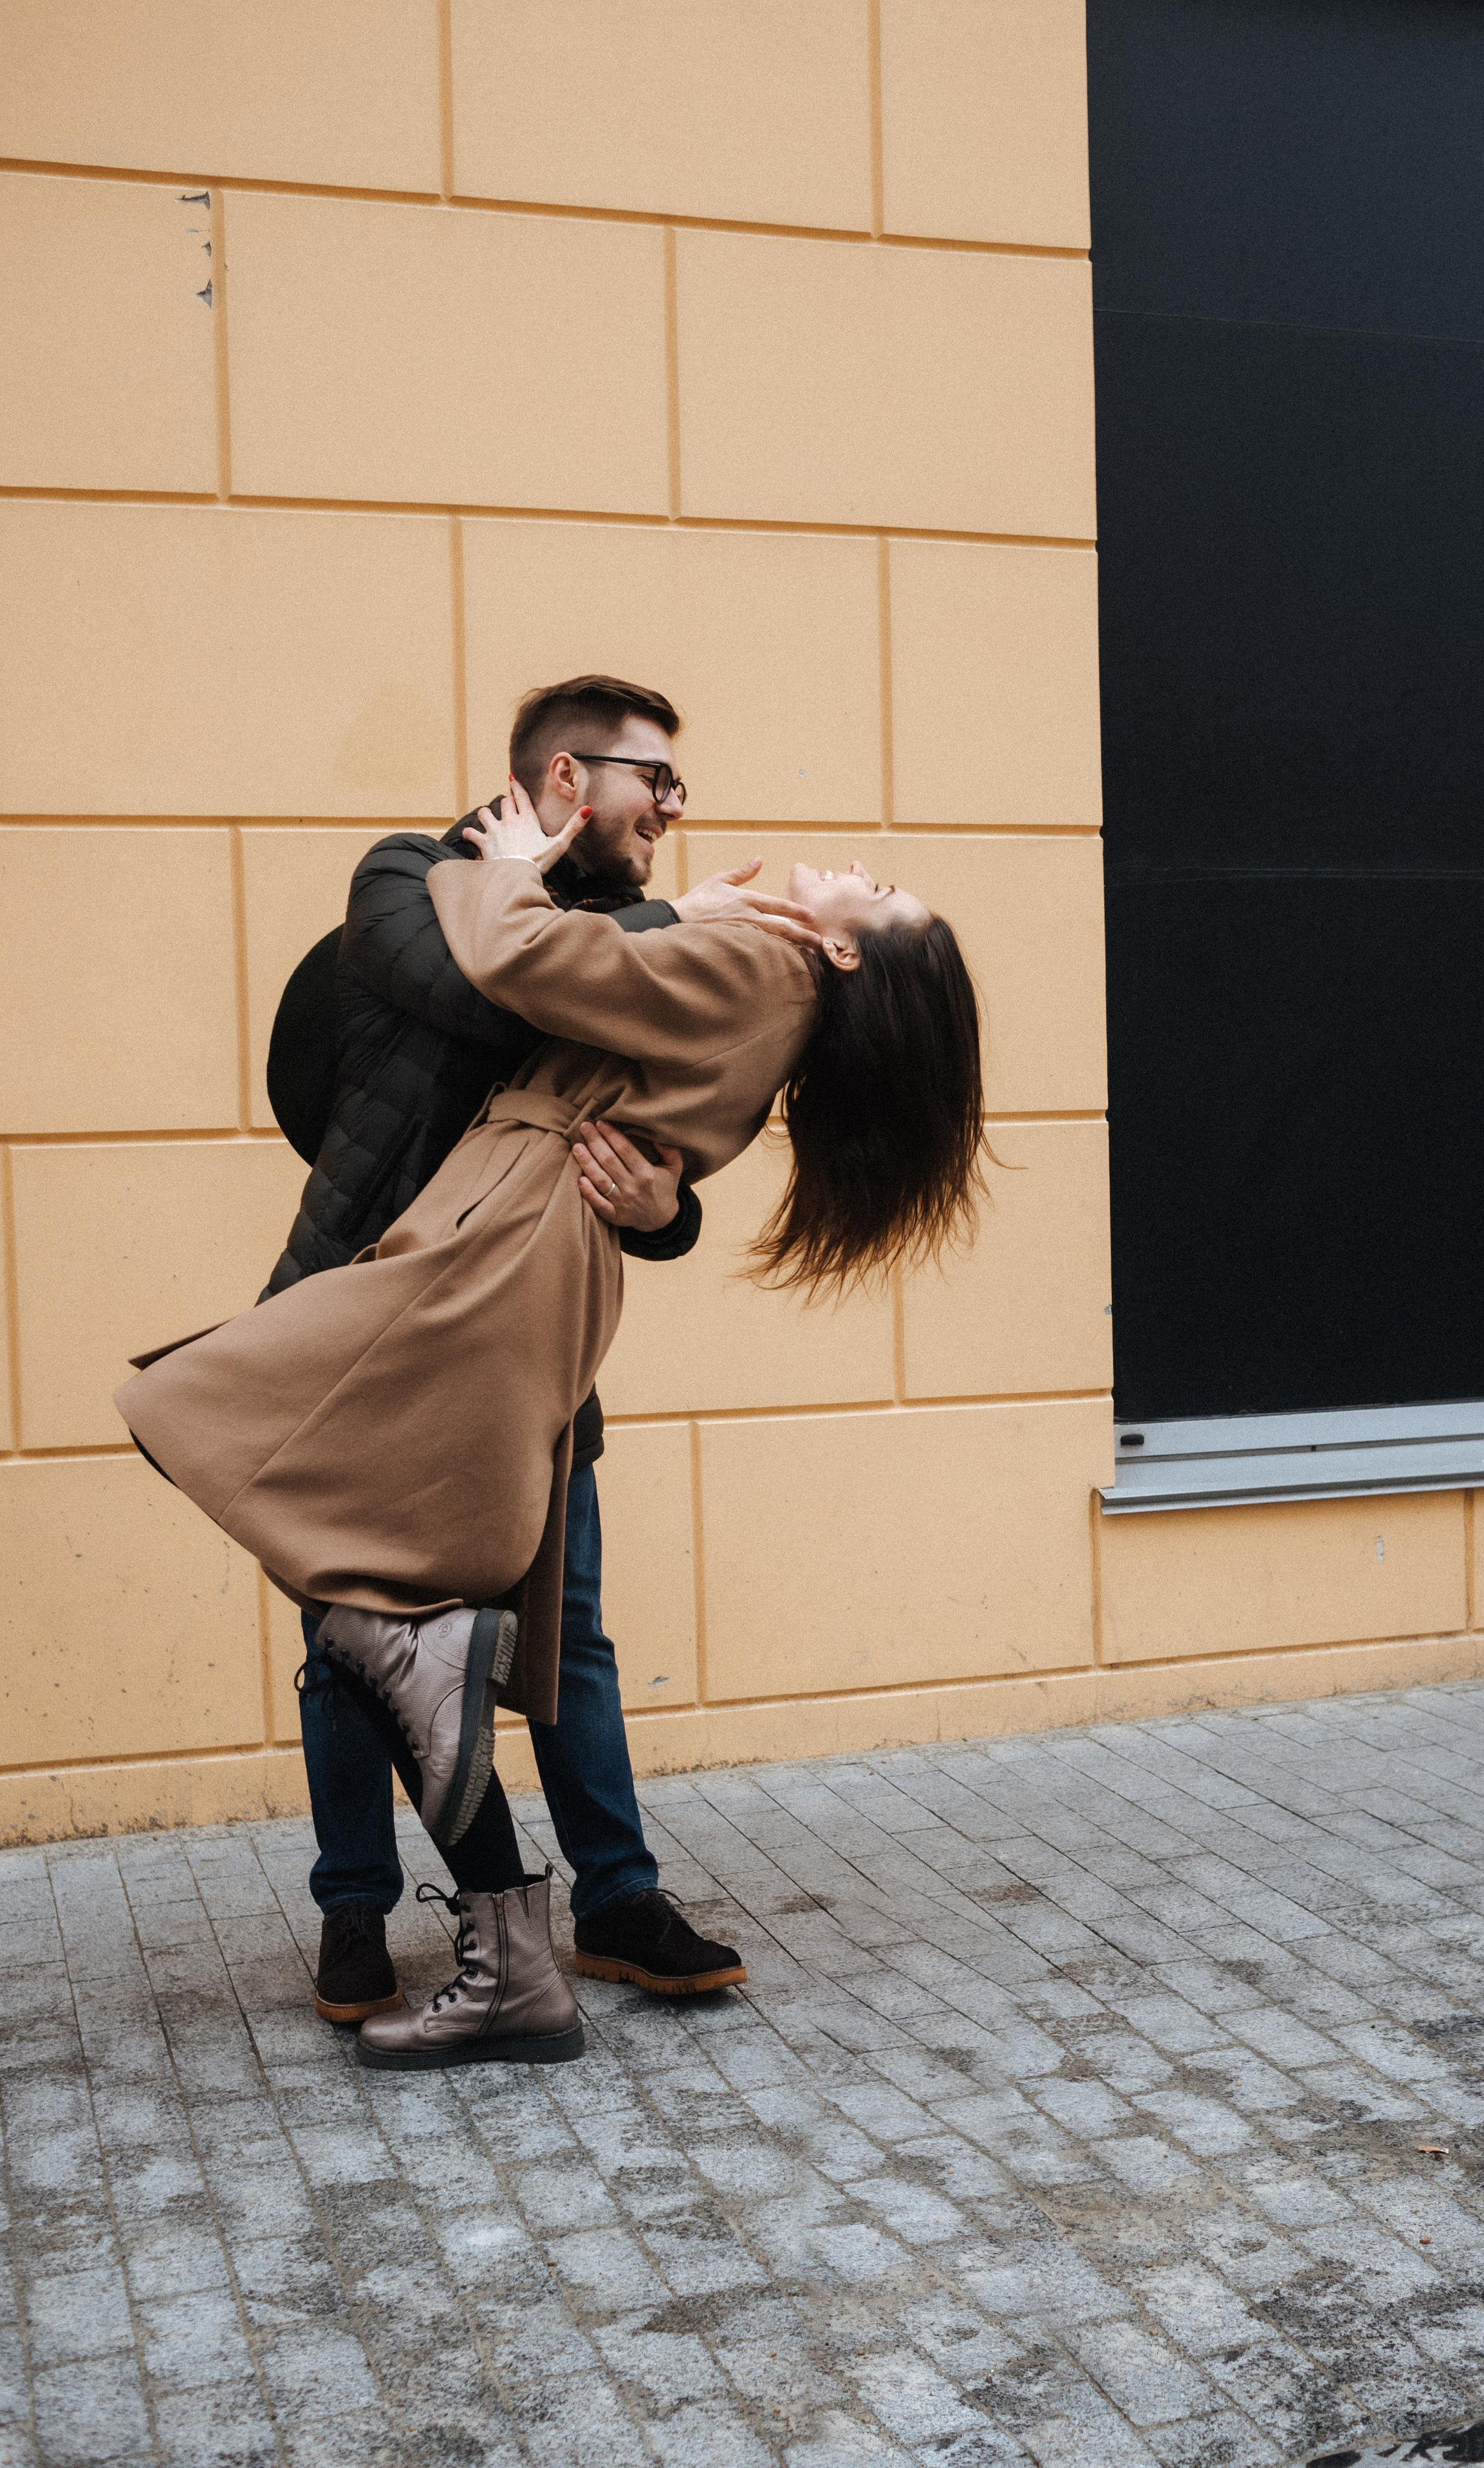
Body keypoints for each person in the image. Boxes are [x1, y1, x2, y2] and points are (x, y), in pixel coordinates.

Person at [117, 772, 987, 2073]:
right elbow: (611, 1074)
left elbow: (521, 957)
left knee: (318, 1544)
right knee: (367, 1594)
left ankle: (517, 1959)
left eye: (883, 889)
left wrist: (513, 863)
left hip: (497, 1264)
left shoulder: (765, 966)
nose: (859, 863)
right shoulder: (747, 968)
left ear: (850, 943)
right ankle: (487, 1945)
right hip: (488, 1253)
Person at [268, 676, 815, 2023]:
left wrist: (665, 1211)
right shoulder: (412, 878)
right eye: (658, 784)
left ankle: (616, 1898)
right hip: (357, 1327)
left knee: (565, 1639)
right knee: (353, 1642)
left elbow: (654, 1126)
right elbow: (483, 994)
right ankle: (355, 1912)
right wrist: (672, 922)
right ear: (570, 779)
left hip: (526, 1358)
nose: (677, 813)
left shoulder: (599, 939)